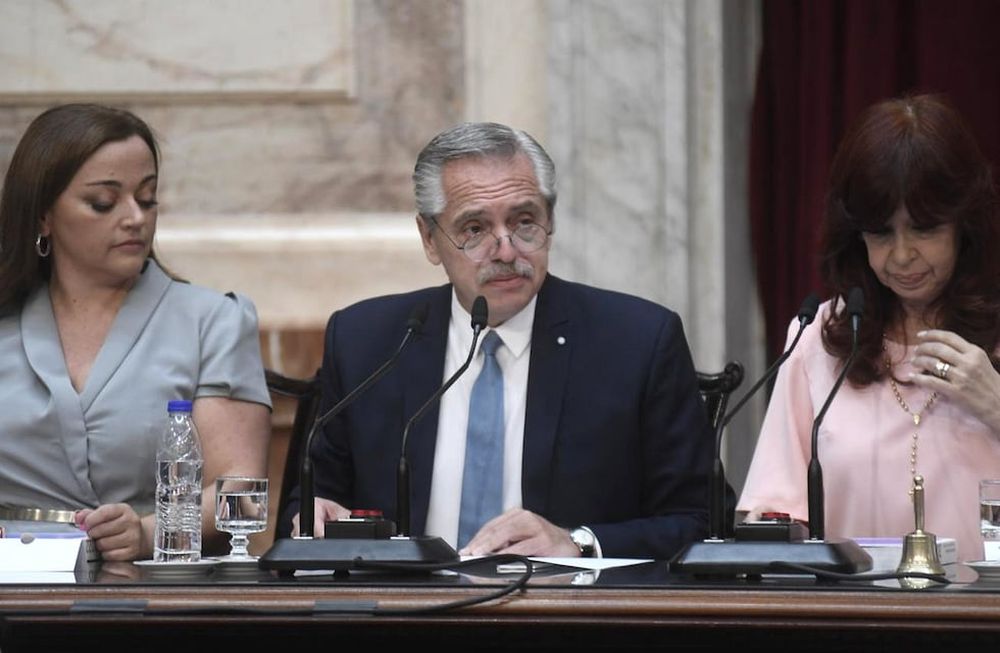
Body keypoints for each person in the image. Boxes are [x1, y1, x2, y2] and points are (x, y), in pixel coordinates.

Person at [281, 121, 715, 560]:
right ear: (430, 240)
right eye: (474, 229)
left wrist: (579, 542)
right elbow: (308, 503)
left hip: (567, 616)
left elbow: (701, 520)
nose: (506, 251)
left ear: (551, 220)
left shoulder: (635, 342)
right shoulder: (367, 342)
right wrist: (315, 516)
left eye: (525, 222)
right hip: (403, 614)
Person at [0, 104, 272, 561]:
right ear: (44, 215)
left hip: (151, 596)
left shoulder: (213, 320)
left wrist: (147, 533)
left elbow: (240, 494)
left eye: (147, 199)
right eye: (104, 202)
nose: (134, 217)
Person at [738, 94, 1000, 563]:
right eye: (881, 233)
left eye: (923, 229)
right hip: (852, 620)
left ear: (966, 224)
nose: (901, 256)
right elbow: (774, 513)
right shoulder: (821, 337)